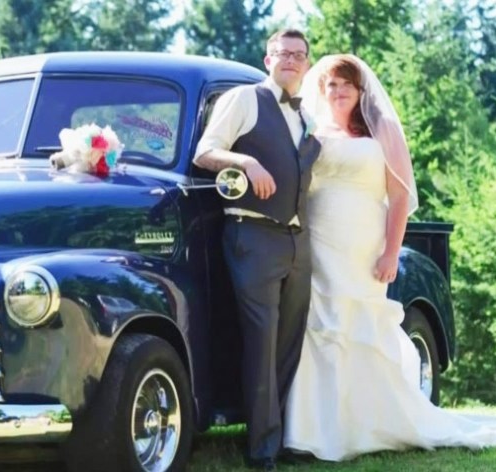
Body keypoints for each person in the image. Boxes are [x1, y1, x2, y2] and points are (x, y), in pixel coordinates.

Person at [282, 54, 496, 461]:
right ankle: (314, 431)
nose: (339, 91)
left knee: (360, 327)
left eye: (347, 84)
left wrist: (391, 252)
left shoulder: (380, 128)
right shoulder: (311, 132)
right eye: (332, 85)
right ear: (322, 90)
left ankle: (370, 422)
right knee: (320, 327)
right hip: (319, 242)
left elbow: (399, 197)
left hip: (363, 245)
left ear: (360, 90)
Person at [193, 29, 322, 470]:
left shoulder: (308, 116)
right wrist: (245, 161)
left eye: (298, 55)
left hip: (297, 241)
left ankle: (280, 436)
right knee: (262, 342)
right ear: (267, 59)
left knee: (288, 344)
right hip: (252, 236)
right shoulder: (245, 99)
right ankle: (261, 449)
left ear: (306, 64)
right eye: (282, 53)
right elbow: (205, 152)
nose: (290, 60)